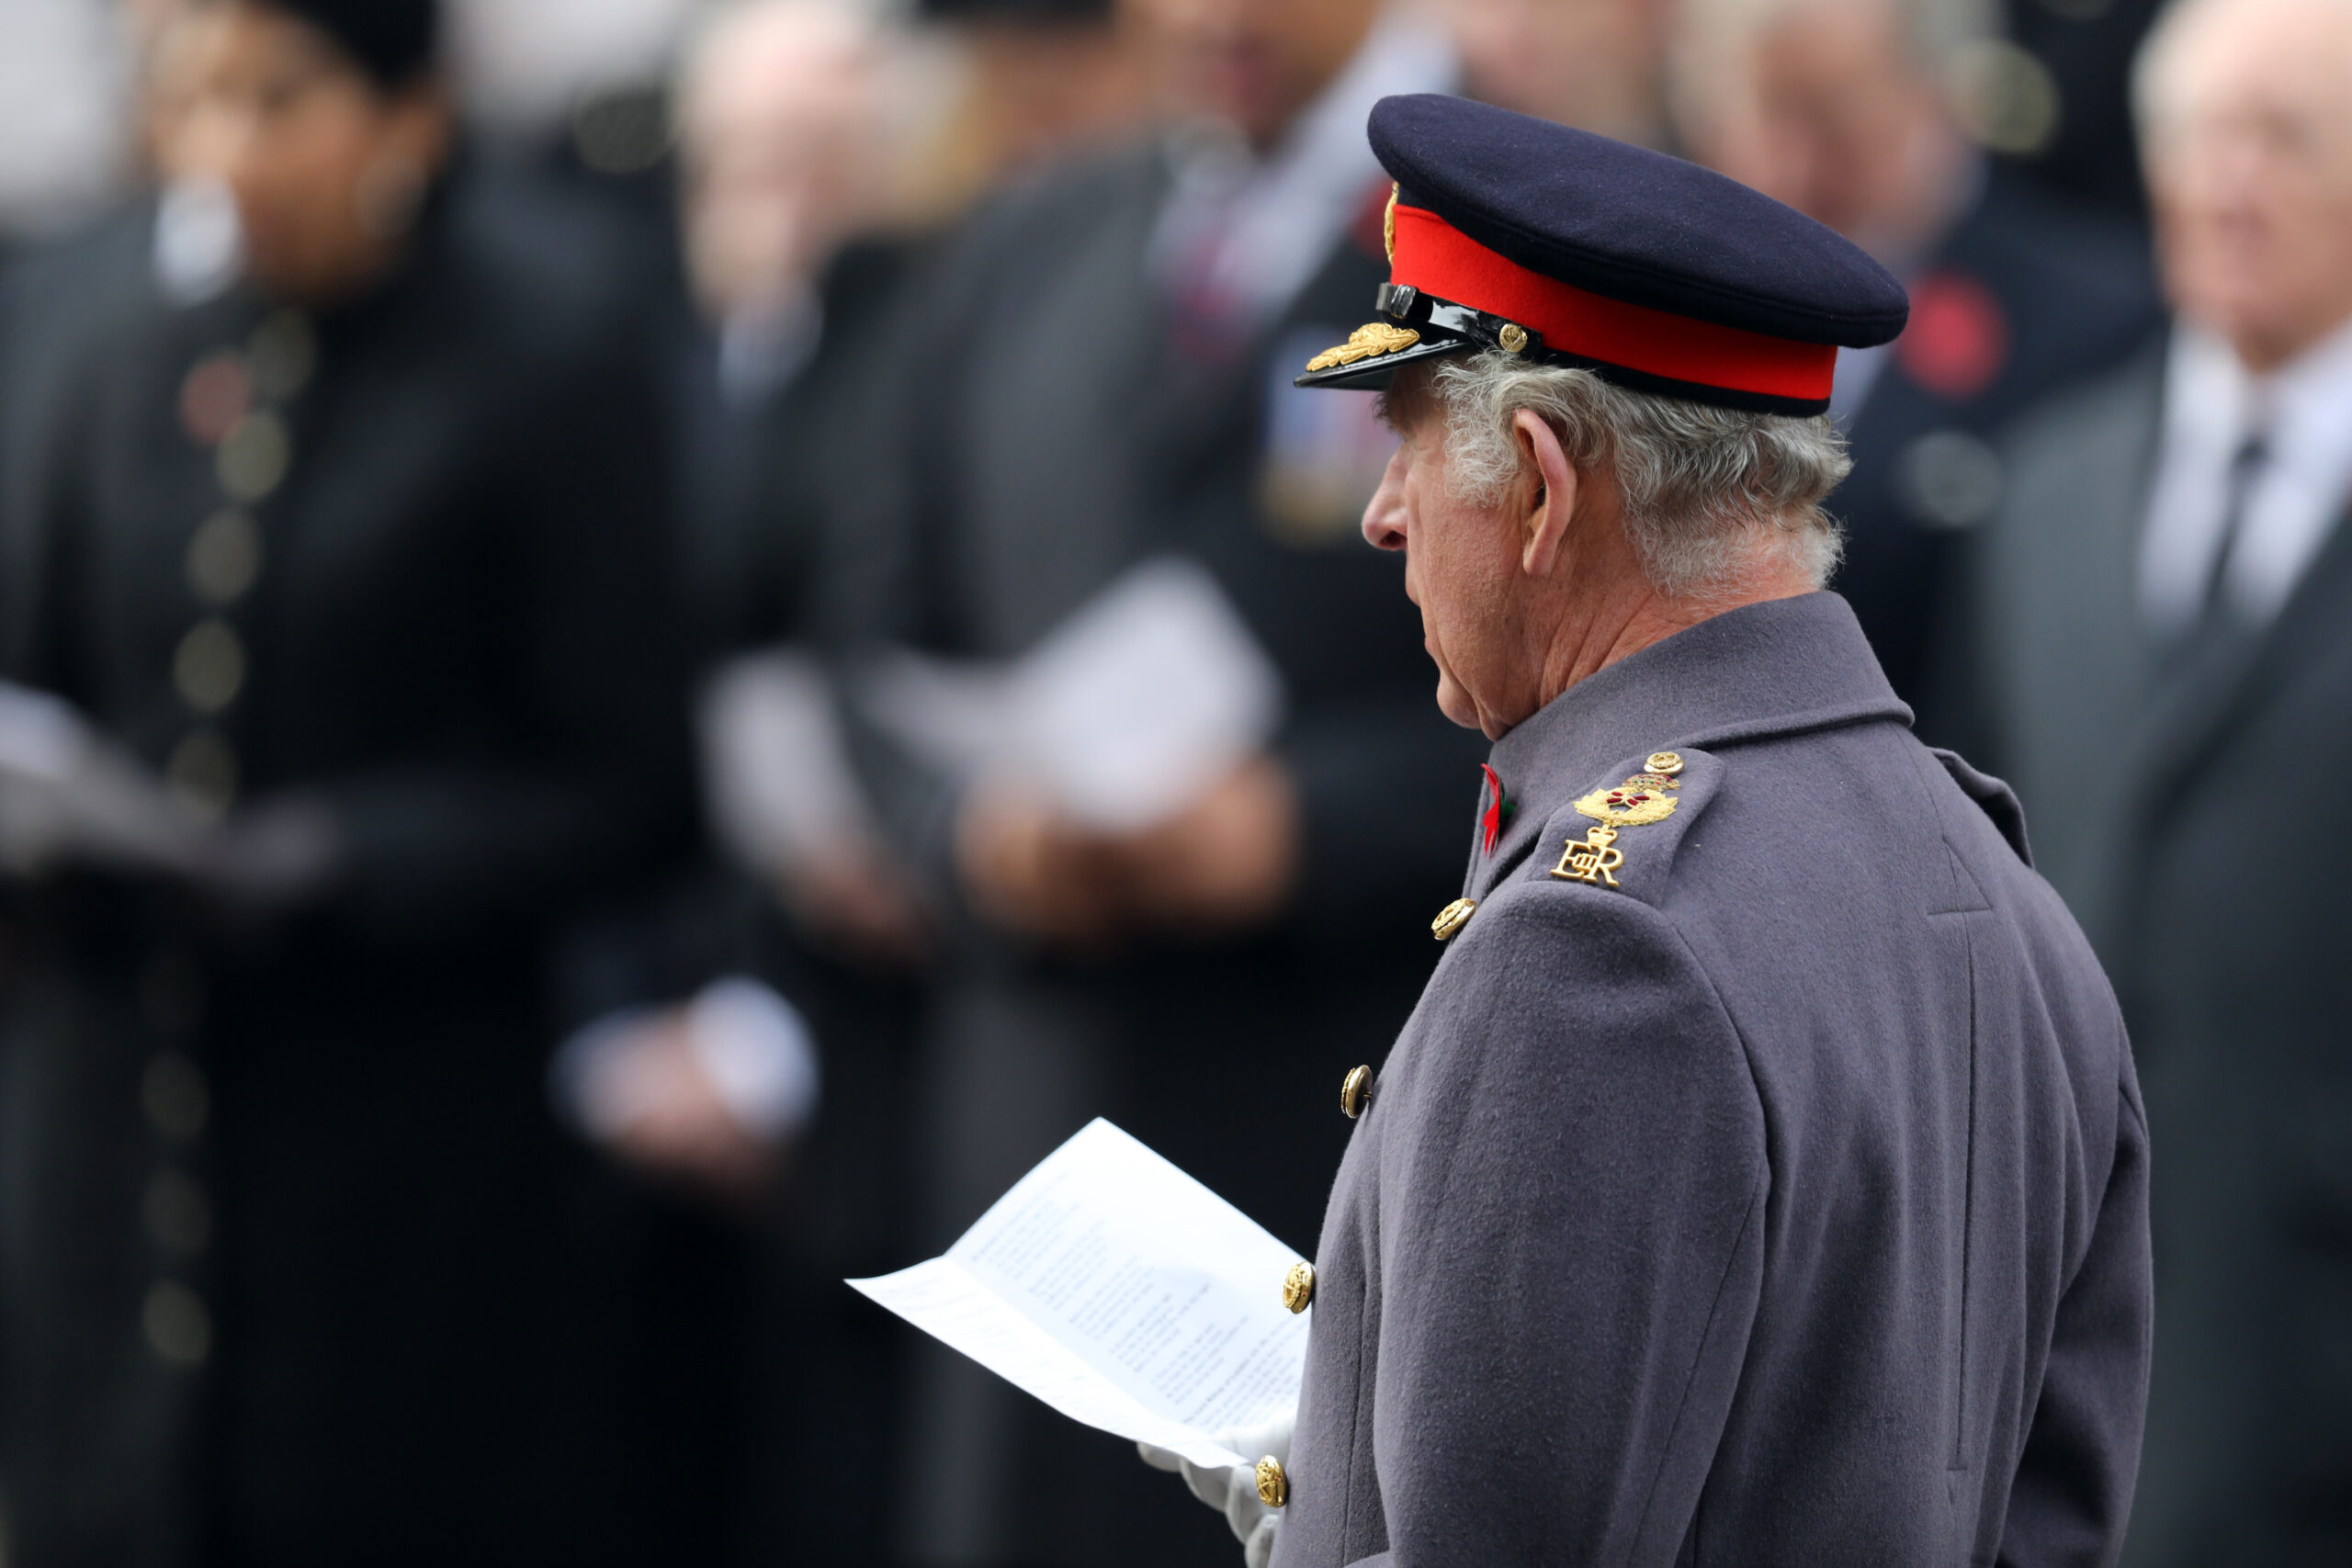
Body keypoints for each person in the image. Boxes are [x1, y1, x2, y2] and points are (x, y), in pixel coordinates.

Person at [1148, 93, 2151, 1566]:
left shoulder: (1596, 951)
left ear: (1541, 486)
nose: (1382, 512)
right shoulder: (2003, 894)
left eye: (1407, 441)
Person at [0, 1, 684, 1562]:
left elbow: (635, 783)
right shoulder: (106, 337)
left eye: (276, 100)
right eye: (194, 102)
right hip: (111, 1140)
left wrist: (350, 855)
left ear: (407, 118)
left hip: (399, 1163)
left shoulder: (545, 347)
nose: (224, 153)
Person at [842, 0, 1486, 1562]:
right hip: (1038, 1131)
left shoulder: (1508, 250)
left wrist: (1304, 827)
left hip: (1335, 1115)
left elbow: (1619, 670)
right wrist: (967, 834)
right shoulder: (1031, 238)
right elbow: (872, 629)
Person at [1966, 0, 2352, 1556]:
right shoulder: (2046, 487)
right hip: (2052, 1343)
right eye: (2197, 138)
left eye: (2285, 139)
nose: (2228, 183)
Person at [1675, 0, 2159, 737]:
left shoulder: (2093, 323)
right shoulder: (1661, 297)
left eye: (1834, 122)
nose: (1791, 167)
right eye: (1760, 116)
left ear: (1938, 92)